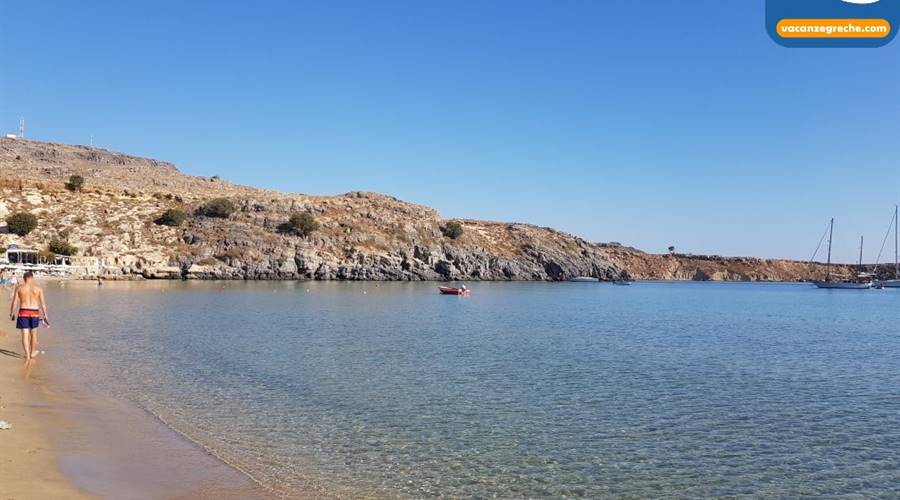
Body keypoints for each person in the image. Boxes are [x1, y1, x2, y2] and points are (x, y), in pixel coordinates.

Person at [9, 272, 49, 361]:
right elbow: (43, 303)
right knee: (33, 333)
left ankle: (27, 355)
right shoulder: (38, 289)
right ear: (32, 278)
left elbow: (15, 302)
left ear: (24, 278)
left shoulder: (19, 288)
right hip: (34, 312)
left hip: (23, 311)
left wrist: (12, 313)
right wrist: (45, 315)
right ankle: (32, 352)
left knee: (25, 334)